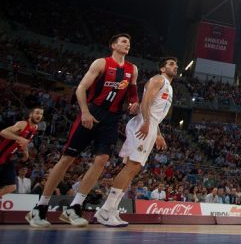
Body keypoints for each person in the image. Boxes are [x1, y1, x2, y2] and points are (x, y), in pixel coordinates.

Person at [26, 34, 140, 228]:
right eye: (123, 41)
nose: (127, 44)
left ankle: (75, 207)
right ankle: (40, 207)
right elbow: (80, 88)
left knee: (102, 160)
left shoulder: (132, 69)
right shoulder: (101, 63)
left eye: (129, 42)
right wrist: (85, 112)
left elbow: (133, 95)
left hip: (112, 118)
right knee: (67, 159)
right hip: (92, 112)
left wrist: (134, 103)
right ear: (113, 45)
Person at [94, 57, 177, 227]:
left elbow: (154, 111)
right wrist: (146, 122)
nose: (175, 66)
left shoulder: (169, 86)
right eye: (171, 64)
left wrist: (158, 133)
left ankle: (112, 209)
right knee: (131, 167)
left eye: (176, 65)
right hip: (144, 124)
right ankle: (105, 210)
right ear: (162, 68)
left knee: (134, 169)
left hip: (151, 125)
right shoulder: (159, 79)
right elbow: (146, 101)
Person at [0, 107, 43, 198]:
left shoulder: (35, 128)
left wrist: (25, 151)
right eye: (37, 113)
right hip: (1, 155)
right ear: (30, 114)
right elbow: (3, 132)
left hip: (8, 159)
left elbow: (25, 141)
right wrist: (19, 138)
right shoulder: (22, 124)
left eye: (41, 114)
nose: (39, 115)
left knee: (11, 187)